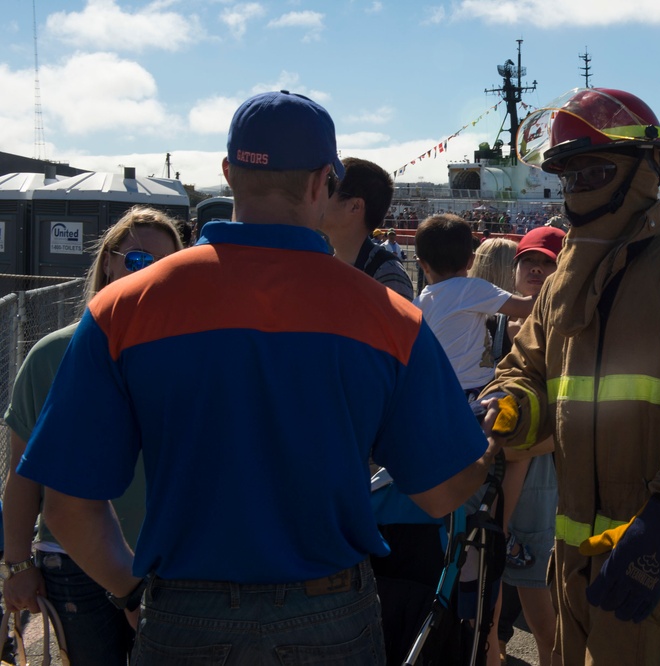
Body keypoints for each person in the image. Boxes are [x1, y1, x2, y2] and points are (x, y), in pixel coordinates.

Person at [16, 90, 501, 666]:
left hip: (182, 615)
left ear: (229, 173)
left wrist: (130, 589)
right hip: (331, 616)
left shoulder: (124, 308)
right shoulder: (388, 317)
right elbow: (441, 489)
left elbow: (68, 506)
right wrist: (494, 444)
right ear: (325, 181)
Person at [483, 87, 660, 664]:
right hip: (577, 561)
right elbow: (525, 368)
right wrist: (513, 405)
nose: (576, 188)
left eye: (594, 170)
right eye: (568, 175)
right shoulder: (563, 278)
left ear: (646, 173)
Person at [3, 207, 183, 666]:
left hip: (163, 559)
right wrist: (18, 564)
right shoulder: (53, 354)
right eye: (138, 260)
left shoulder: (187, 358)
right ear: (108, 261)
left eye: (166, 266)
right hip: (73, 562)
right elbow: (23, 475)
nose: (150, 277)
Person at [472, 227, 564, 666]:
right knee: (490, 570)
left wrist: (524, 450)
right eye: (528, 260)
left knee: (531, 577)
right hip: (498, 463)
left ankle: (551, 656)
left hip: (540, 468)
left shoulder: (569, 332)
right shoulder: (496, 325)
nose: (535, 269)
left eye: (547, 262)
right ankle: (492, 651)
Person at [413, 214, 534, 394]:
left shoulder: (418, 302)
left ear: (422, 264)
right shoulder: (471, 289)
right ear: (471, 260)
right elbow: (525, 308)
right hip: (471, 388)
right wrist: (556, 281)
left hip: (436, 387)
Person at [320, 157, 414, 300]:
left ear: (355, 206)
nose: (317, 194)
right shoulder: (325, 267)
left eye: (329, 187)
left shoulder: (387, 276)